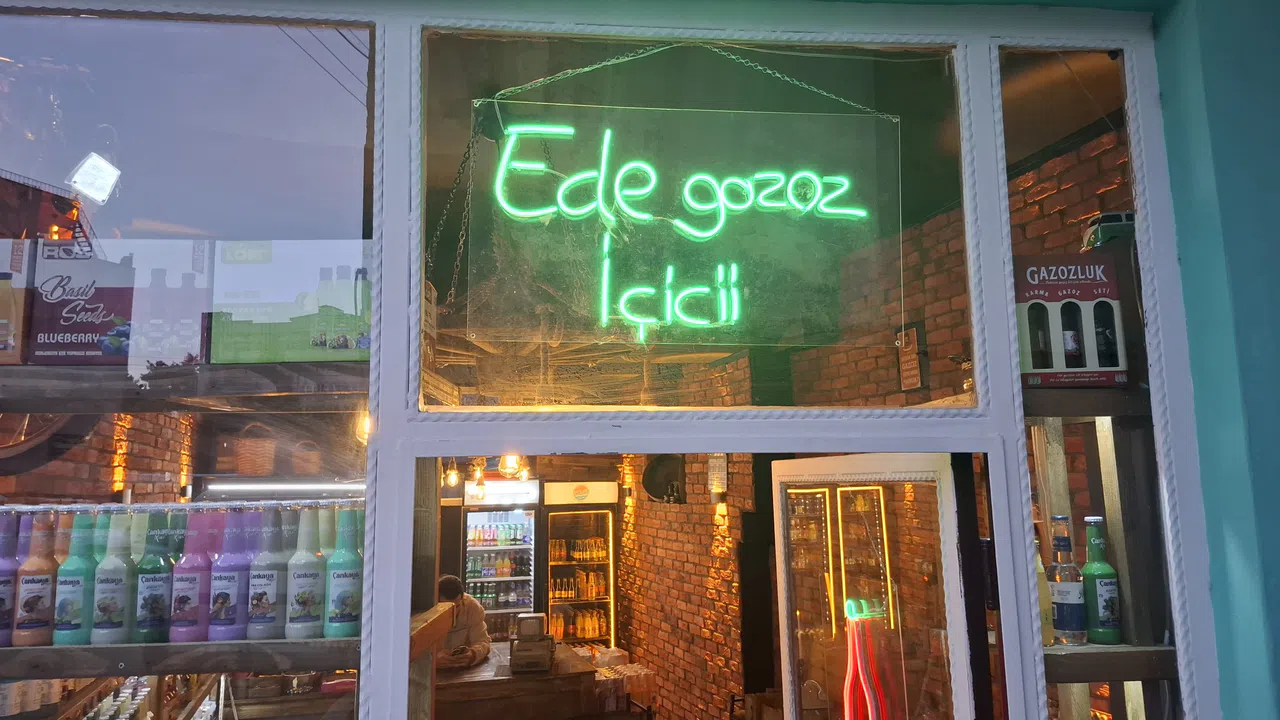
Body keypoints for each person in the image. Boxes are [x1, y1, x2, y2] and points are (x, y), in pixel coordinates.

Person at [435, 575, 491, 669]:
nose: (453, 612)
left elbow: (483, 641)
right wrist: (432, 660)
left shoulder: (472, 607)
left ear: (462, 598)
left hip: (463, 669)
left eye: (457, 606)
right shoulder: (427, 609)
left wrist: (473, 654)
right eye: (447, 608)